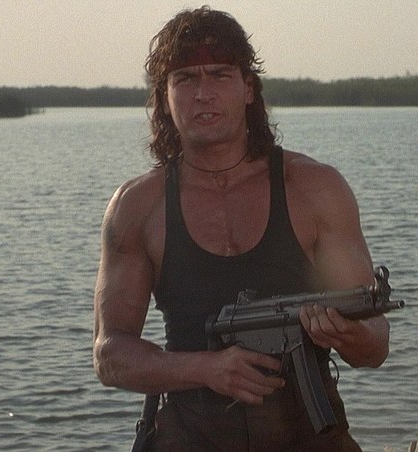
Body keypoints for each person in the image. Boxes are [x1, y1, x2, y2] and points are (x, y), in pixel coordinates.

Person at [93, 6, 390, 451]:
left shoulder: (314, 189)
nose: (203, 94)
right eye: (185, 79)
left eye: (220, 75)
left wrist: (349, 335)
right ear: (164, 96)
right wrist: (207, 370)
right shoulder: (137, 207)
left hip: (308, 436)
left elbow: (376, 346)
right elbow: (110, 354)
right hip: (189, 438)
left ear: (248, 89)